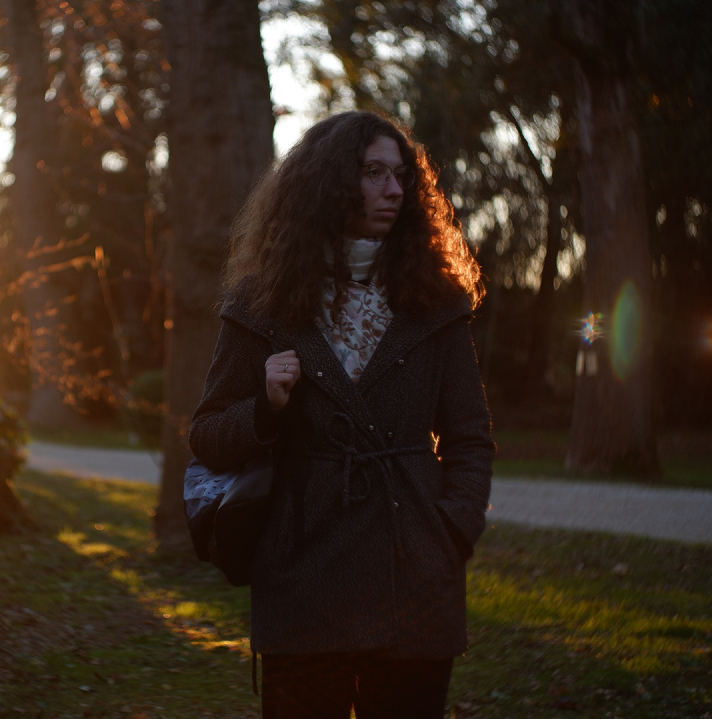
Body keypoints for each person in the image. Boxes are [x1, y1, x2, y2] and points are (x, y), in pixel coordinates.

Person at [188, 111, 494, 718]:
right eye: (373, 173)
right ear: (327, 183)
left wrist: (452, 529)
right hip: (302, 575)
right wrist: (266, 409)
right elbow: (207, 436)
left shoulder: (435, 300)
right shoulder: (262, 303)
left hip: (412, 573)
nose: (394, 190)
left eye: (401, 175)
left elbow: (470, 438)